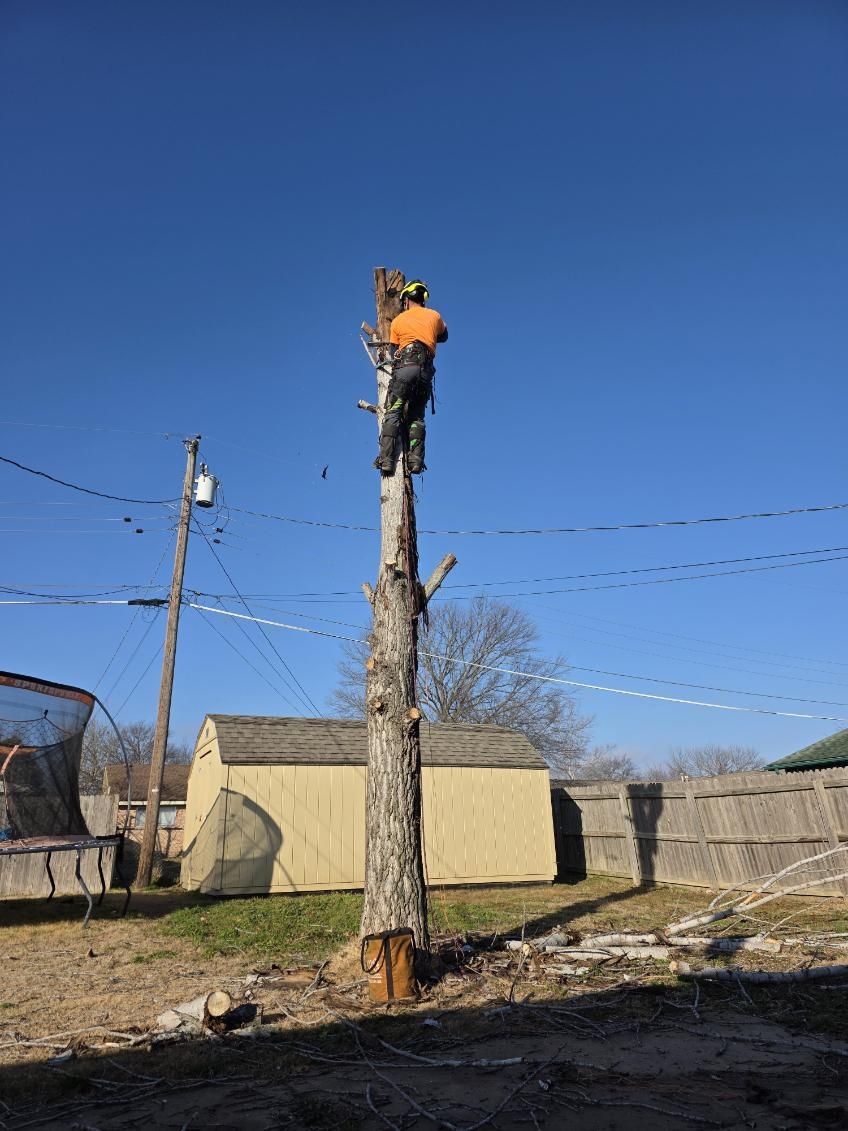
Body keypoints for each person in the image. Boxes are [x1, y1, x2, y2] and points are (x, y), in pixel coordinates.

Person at [374, 279, 448, 474]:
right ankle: (415, 461)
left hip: (405, 368)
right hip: (425, 374)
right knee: (416, 416)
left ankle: (386, 460)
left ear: (406, 300)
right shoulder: (435, 316)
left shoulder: (398, 321)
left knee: (393, 411)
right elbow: (444, 334)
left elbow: (392, 349)